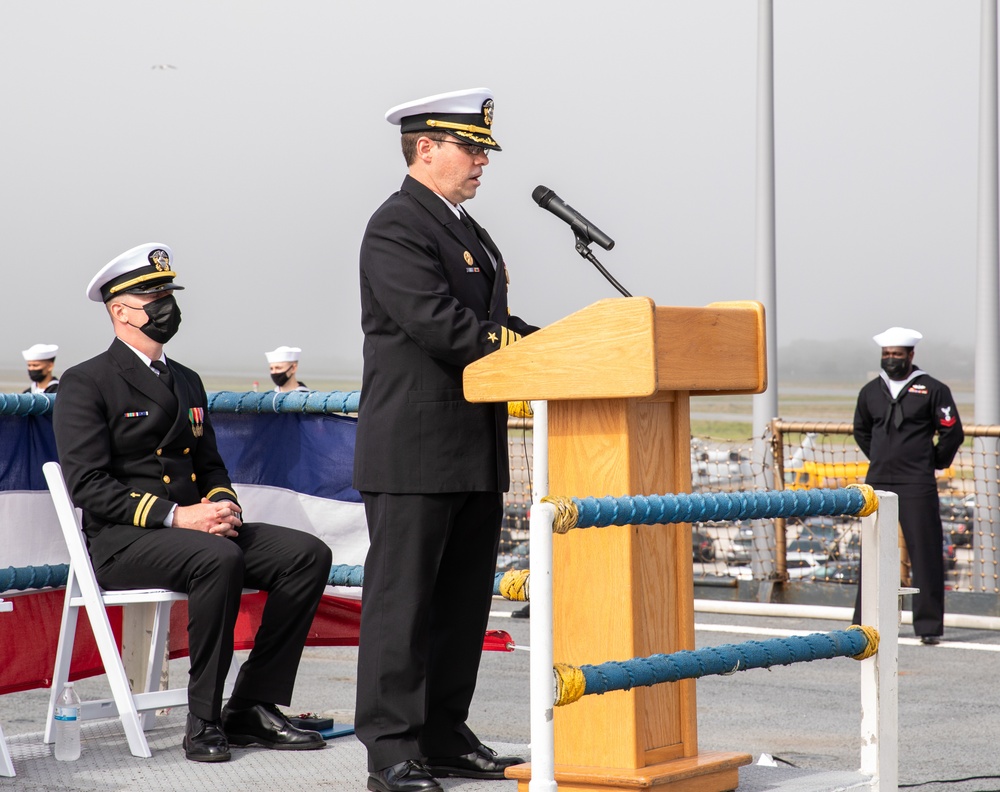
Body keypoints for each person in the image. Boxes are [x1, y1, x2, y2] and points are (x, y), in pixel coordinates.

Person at [52, 243, 333, 762]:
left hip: (194, 531)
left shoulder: (187, 380)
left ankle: (252, 704)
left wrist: (222, 508)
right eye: (152, 296)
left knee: (307, 555)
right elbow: (87, 485)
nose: (166, 306)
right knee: (219, 558)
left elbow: (210, 467)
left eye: (168, 294)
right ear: (120, 310)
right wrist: (180, 516)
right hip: (124, 541)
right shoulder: (86, 381)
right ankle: (203, 719)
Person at [353, 87, 538, 792]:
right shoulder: (397, 225)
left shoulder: (470, 230)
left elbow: (498, 321)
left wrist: (560, 346)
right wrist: (524, 353)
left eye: (484, 149)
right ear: (424, 148)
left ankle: (443, 732)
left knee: (462, 605)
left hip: (472, 449)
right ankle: (392, 751)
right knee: (403, 607)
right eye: (471, 147)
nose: (482, 160)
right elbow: (439, 324)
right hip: (415, 450)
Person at [852, 326, 964, 644]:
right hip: (877, 482)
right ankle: (862, 623)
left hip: (917, 482)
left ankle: (928, 627)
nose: (891, 360)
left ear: (911, 355)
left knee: (925, 552)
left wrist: (933, 461)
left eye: (897, 355)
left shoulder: (933, 389)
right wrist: (879, 457)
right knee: (870, 552)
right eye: (886, 355)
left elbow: (952, 432)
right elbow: (861, 430)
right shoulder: (870, 391)